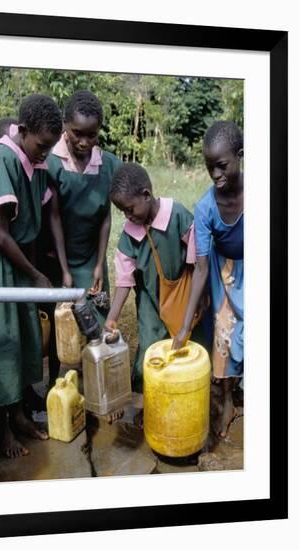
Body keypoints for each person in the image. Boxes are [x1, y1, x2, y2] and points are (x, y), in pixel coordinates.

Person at [0, 94, 67, 458]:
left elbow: (35, 220)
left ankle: (19, 417)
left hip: (22, 268)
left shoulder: (33, 160)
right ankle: (2, 432)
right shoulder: (1, 160)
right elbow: (0, 234)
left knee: (26, 343)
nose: (46, 153)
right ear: (23, 131)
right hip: (1, 270)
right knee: (3, 347)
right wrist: (35, 275)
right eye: (42, 145)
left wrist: (36, 274)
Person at [104, 163, 196, 423]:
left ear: (146, 194)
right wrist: (112, 317)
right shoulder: (128, 236)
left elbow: (198, 260)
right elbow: (124, 281)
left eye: (130, 209)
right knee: (150, 351)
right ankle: (152, 406)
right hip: (149, 303)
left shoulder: (177, 215)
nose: (127, 216)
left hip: (183, 295)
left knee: (187, 347)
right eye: (122, 211)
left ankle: (185, 399)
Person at [42, 90, 121, 390]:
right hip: (59, 257)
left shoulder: (107, 164)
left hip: (92, 257)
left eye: (92, 135)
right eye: (77, 134)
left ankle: (97, 384)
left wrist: (99, 264)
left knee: (96, 323)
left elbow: (105, 217)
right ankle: (55, 383)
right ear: (64, 126)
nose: (84, 142)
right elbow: (54, 218)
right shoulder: (51, 163)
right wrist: (64, 270)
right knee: (60, 323)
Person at [172, 121, 243, 439]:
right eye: (209, 167)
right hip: (222, 271)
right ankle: (227, 398)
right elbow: (200, 267)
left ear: (240, 156)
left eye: (222, 165)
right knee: (223, 336)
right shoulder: (204, 208)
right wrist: (185, 326)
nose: (216, 175)